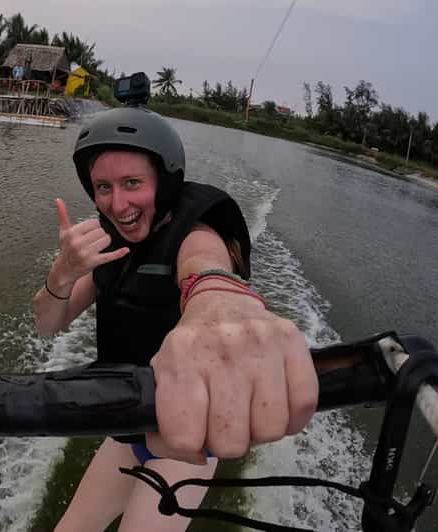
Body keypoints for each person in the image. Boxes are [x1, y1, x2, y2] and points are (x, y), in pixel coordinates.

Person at [32, 106, 318, 531]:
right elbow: (48, 324)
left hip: (187, 442)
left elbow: (206, 269)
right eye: (103, 187)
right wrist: (63, 273)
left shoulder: (198, 233)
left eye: (132, 183)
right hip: (132, 425)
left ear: (164, 183)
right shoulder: (107, 246)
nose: (118, 203)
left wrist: (219, 300)